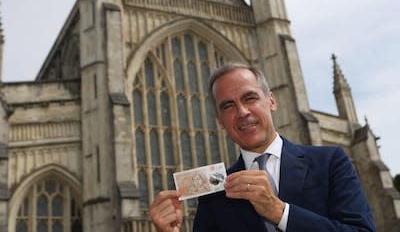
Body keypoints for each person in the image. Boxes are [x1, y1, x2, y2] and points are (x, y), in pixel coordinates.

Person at [149, 62, 375, 231]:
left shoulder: (330, 162)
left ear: (272, 101)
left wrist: (279, 212)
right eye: (228, 105)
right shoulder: (215, 193)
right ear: (219, 121)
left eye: (250, 98)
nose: (242, 112)